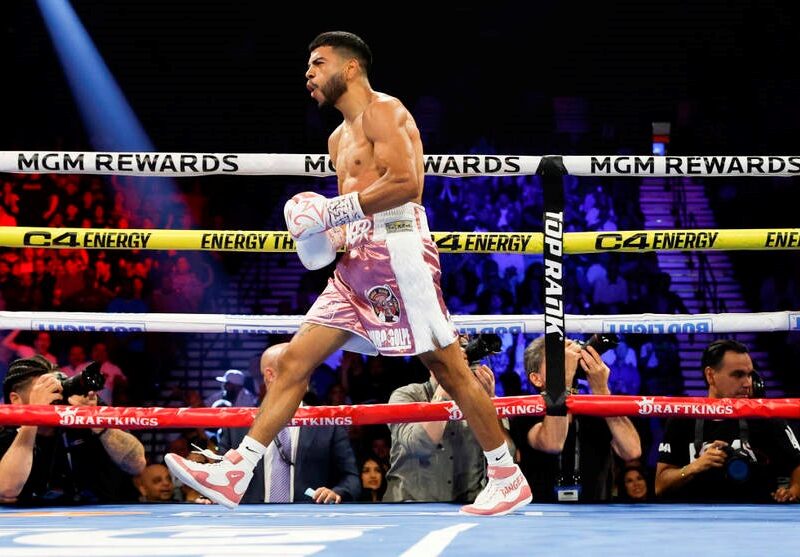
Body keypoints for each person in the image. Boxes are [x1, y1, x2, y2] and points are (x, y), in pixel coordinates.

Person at [165, 30, 530, 516]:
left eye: (318, 63)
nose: (308, 74)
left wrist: (331, 211)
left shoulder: (385, 110)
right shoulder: (337, 138)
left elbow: (406, 183)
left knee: (448, 368)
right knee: (293, 362)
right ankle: (238, 469)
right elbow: (349, 214)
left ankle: (506, 475)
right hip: (355, 258)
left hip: (399, 248)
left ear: (350, 67)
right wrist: (319, 233)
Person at [655, 339, 800, 503]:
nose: (747, 383)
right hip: (696, 514)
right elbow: (660, 485)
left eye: (749, 374)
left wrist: (793, 492)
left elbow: (798, 463)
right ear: (710, 375)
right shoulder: (683, 419)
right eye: (738, 375)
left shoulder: (765, 416)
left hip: (757, 514)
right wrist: (693, 467)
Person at [215, 343, 360, 504]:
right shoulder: (238, 425)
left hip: (310, 516)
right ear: (270, 375)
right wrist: (209, 497)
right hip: (250, 517)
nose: (307, 373)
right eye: (298, 367)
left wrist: (336, 493)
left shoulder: (327, 424)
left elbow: (351, 478)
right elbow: (219, 478)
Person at [0, 356, 146, 505]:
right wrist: (33, 416)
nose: (55, 396)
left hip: (104, 513)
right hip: (31, 517)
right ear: (16, 400)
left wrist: (97, 423)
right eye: (44, 389)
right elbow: (6, 490)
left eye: (57, 388)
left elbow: (137, 465)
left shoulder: (84, 408)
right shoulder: (5, 432)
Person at [511, 336, 641, 502]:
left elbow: (631, 451)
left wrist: (602, 391)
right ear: (536, 378)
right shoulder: (527, 413)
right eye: (558, 359)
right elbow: (552, 443)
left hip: (596, 512)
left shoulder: (595, 409)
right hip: (543, 513)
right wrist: (563, 380)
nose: (568, 361)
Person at [384, 340, 514, 503]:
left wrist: (489, 404)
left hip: (467, 506)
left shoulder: (483, 400)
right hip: (410, 505)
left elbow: (508, 455)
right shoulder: (406, 396)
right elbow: (419, 447)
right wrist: (446, 389)